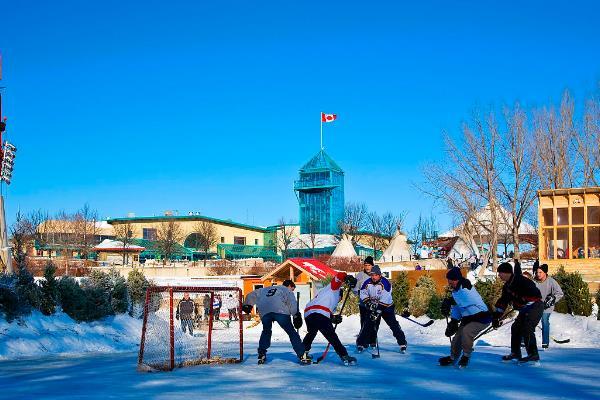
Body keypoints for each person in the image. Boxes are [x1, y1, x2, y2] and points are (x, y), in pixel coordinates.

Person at [242, 280, 310, 365]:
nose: (292, 291)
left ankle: (261, 352)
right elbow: (292, 303)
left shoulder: (265, 289)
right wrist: (296, 315)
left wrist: (247, 304)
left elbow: (252, 294)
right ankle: (301, 354)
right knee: (291, 332)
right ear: (289, 286)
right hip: (280, 311)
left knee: (266, 331)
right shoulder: (286, 290)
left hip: (265, 311)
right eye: (292, 289)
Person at [439, 267, 491, 368]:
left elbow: (464, 301)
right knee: (457, 338)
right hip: (468, 319)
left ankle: (466, 356)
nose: (450, 283)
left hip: (481, 317)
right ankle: (453, 357)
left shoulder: (467, 287)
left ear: (457, 279)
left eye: (452, 281)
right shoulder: (456, 291)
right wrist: (454, 321)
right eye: (449, 281)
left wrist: (449, 301)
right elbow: (458, 308)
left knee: (466, 332)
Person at [302, 272, 358, 365]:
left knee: (311, 333)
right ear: (341, 295)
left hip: (308, 313)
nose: (339, 301)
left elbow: (325, 312)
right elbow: (339, 276)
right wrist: (346, 277)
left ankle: (303, 353)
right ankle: (344, 355)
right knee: (331, 336)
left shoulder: (324, 294)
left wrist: (333, 318)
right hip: (319, 313)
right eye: (340, 299)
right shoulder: (334, 289)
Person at [494, 262, 543, 363]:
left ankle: (533, 354)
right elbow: (503, 302)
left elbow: (535, 293)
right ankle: (515, 353)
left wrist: (523, 301)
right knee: (515, 327)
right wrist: (496, 317)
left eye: (500, 273)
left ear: (507, 273)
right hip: (525, 309)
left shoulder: (520, 280)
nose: (499, 276)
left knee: (527, 328)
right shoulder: (507, 287)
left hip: (535, 306)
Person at [356, 265, 407, 353]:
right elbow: (363, 293)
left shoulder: (385, 283)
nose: (374, 277)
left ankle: (402, 343)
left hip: (387, 308)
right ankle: (361, 343)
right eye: (372, 275)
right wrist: (368, 303)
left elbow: (385, 298)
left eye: (376, 275)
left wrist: (378, 311)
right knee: (367, 325)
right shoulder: (367, 283)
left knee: (393, 325)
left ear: (379, 275)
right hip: (373, 306)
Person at [535, 264, 564, 349]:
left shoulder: (551, 281)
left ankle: (545, 343)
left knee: (544, 320)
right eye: (537, 272)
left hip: (546, 307)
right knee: (529, 321)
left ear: (545, 273)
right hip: (536, 306)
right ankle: (524, 340)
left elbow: (560, 293)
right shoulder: (534, 281)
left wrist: (552, 299)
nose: (538, 274)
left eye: (540, 272)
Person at [353, 256, 377, 348]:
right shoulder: (360, 275)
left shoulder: (376, 274)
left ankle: (372, 340)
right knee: (364, 322)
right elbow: (355, 288)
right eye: (365, 265)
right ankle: (363, 342)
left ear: (372, 266)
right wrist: (358, 292)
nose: (367, 267)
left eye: (369, 265)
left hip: (374, 304)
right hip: (363, 304)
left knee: (373, 322)